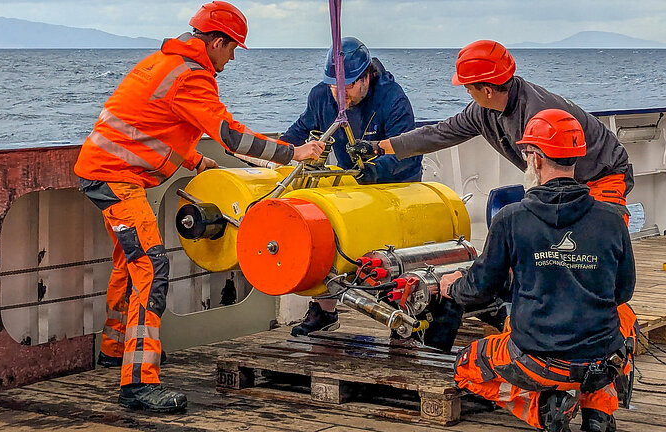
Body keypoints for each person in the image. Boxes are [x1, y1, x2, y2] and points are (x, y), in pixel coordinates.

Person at [73, 1, 323, 413]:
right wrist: (294, 152)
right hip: (116, 179)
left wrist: (196, 161)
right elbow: (230, 135)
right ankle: (138, 384)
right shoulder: (190, 77)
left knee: (129, 262)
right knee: (152, 268)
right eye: (232, 49)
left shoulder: (163, 63)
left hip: (105, 173)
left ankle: (117, 349)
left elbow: (157, 126)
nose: (231, 58)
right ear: (218, 41)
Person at [434, 109, 637, 432]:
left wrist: (452, 286)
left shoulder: (512, 219)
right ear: (577, 158)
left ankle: (544, 408)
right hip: (602, 358)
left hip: (539, 359)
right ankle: (598, 411)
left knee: (465, 367)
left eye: (528, 153)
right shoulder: (612, 218)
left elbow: (480, 289)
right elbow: (622, 291)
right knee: (625, 317)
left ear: (536, 159)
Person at [363, 40, 633, 220]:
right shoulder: (483, 111)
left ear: (487, 90)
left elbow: (552, 176)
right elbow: (439, 134)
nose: (467, 93)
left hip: (602, 176)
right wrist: (380, 147)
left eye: (469, 88)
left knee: (600, 253)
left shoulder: (539, 115)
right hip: (563, 184)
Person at [281, 37, 422, 336]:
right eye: (333, 86)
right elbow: (300, 129)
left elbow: (406, 151)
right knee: (320, 228)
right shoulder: (321, 96)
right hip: (352, 183)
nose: (338, 95)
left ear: (366, 78)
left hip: (396, 183)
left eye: (345, 88)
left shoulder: (392, 98)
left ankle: (402, 310)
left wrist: (369, 173)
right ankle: (324, 310)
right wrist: (272, 151)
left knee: (392, 249)